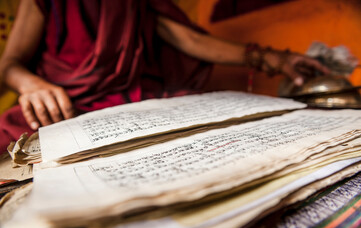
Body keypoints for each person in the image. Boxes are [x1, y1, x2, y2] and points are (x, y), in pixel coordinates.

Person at [0, 0, 329, 154]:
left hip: (131, 100)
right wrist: (32, 84)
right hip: (62, 106)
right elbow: (9, 64)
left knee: (220, 123)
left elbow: (193, 41)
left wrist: (276, 59)